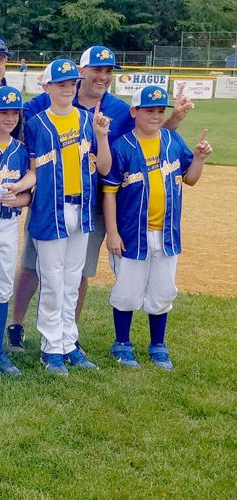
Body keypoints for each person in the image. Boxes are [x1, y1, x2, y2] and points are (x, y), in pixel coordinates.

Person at [7, 45, 195, 352]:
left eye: (109, 71)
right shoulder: (46, 101)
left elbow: (148, 137)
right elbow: (18, 132)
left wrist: (174, 119)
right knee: (32, 264)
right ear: (81, 72)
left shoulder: (118, 109)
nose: (103, 76)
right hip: (49, 199)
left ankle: (70, 333)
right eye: (97, 69)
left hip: (93, 200)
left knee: (79, 270)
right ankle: (16, 325)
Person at [8, 59, 111, 374]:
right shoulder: (37, 123)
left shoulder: (86, 120)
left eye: (71, 84)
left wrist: (102, 136)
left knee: (71, 280)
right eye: (61, 84)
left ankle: (69, 343)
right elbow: (35, 170)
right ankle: (51, 348)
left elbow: (103, 168)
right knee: (52, 282)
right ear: (47, 87)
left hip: (80, 209)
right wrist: (16, 187)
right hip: (50, 212)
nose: (67, 89)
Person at [103, 86, 210, 370]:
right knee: (127, 290)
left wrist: (198, 158)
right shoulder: (122, 146)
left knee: (163, 290)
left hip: (166, 232)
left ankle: (157, 344)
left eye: (160, 111)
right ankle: (122, 343)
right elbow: (110, 192)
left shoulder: (172, 140)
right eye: (148, 110)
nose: (155, 115)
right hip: (130, 233)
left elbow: (191, 179)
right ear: (134, 112)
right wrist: (112, 232)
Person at [0, 86, 31, 376]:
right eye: (3, 111)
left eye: (15, 112)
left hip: (8, 221)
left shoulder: (21, 149)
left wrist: (18, 198)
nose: (10, 117)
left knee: (1, 287)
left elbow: (29, 197)